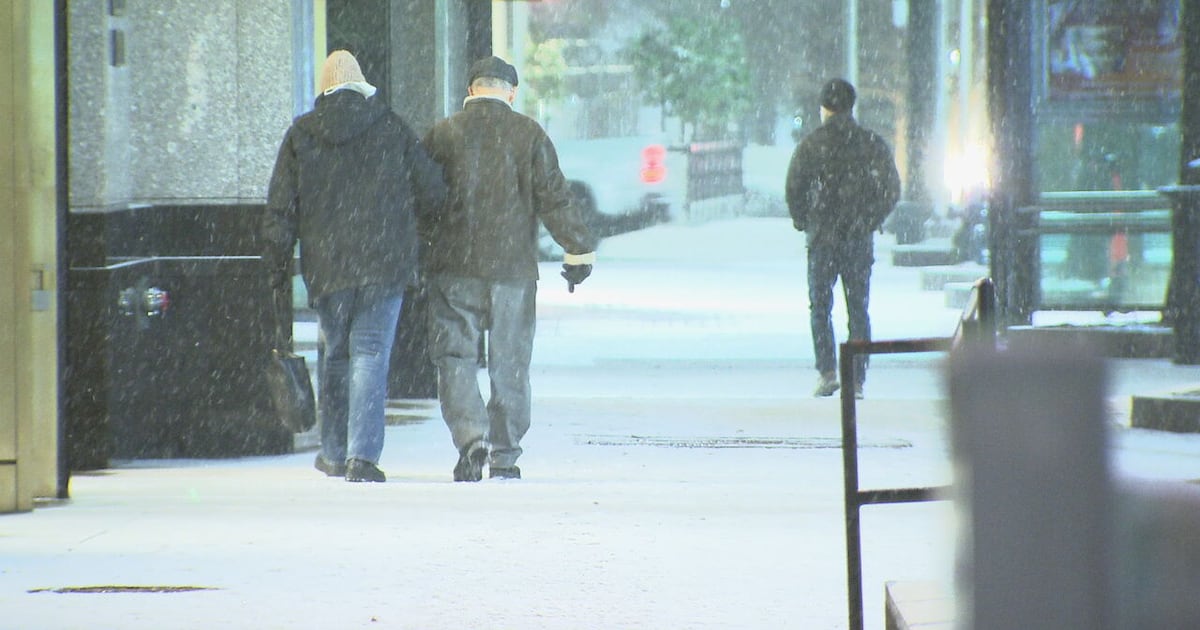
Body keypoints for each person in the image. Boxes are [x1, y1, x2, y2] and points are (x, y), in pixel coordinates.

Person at [262, 50, 446, 482]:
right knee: (371, 355)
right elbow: (433, 190)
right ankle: (361, 458)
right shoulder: (390, 126)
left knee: (336, 356)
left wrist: (275, 259)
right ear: (363, 84)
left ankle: (332, 450)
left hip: (328, 267)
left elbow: (280, 208)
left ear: (324, 89)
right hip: (386, 262)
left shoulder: (302, 134)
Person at [420, 56, 597, 482]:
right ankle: (504, 454)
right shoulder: (528, 134)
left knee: (455, 358)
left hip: (453, 266)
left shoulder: (443, 134)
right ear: (511, 92)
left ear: (470, 89)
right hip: (513, 270)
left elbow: (422, 199)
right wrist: (578, 251)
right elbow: (554, 196)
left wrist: (422, 250)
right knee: (510, 361)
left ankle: (470, 438)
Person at [785, 78, 900, 399]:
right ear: (851, 107)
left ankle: (827, 372)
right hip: (857, 239)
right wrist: (869, 218)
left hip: (823, 239)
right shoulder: (870, 143)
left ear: (823, 109)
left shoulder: (811, 145)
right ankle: (858, 378)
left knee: (820, 307)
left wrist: (804, 219)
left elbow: (794, 187)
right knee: (859, 309)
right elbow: (891, 188)